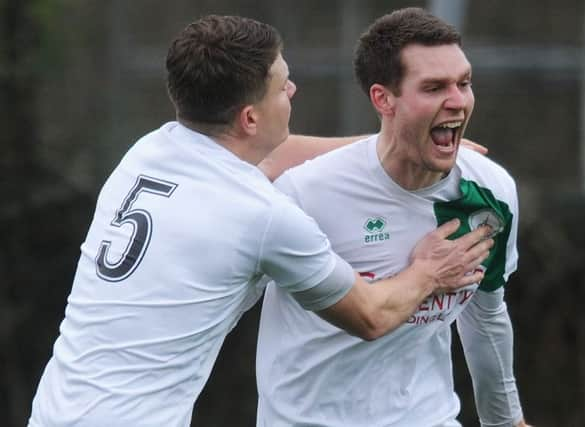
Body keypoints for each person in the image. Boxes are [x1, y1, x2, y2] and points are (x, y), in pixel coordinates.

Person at [27, 14, 493, 427]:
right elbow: (372, 315)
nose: (292, 90)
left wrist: (383, 146)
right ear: (250, 117)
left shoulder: (150, 150)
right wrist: (429, 271)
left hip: (52, 410)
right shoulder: (263, 216)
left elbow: (269, 158)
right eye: (281, 84)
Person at [256, 8, 531, 427]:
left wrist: (506, 421)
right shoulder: (305, 194)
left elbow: (486, 317)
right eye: (435, 87)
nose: (457, 101)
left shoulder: (489, 191)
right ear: (383, 99)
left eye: (464, 83)